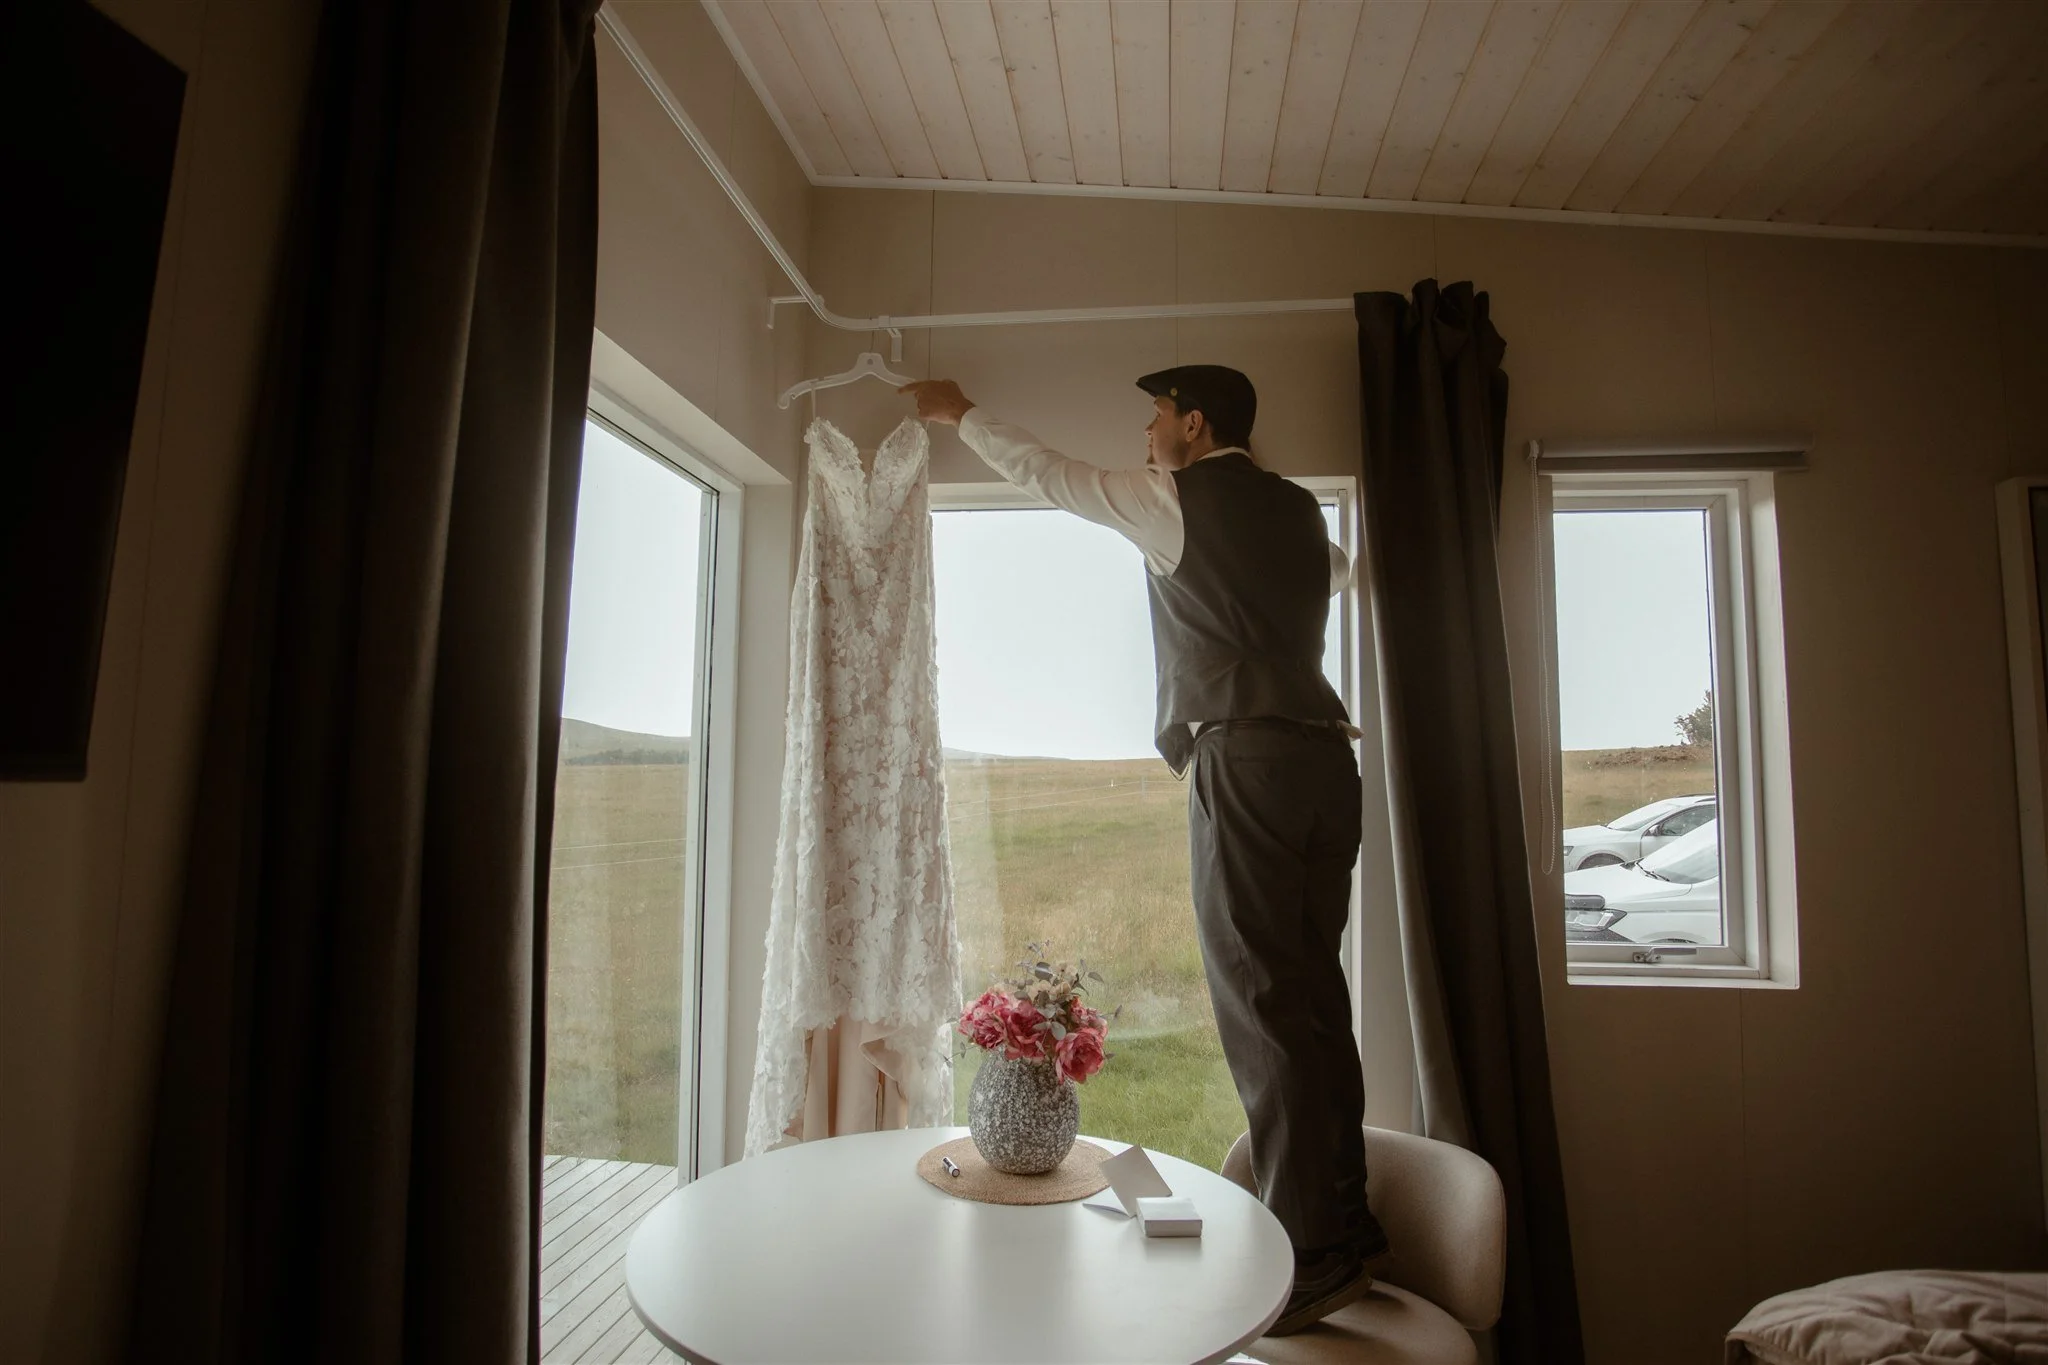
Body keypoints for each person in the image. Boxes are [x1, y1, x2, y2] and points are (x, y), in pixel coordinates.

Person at [902, 368, 1390, 1335]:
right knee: (1312, 997)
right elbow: (1333, 570)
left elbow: (1049, 475)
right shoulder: (1296, 515)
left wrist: (961, 414)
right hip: (1326, 766)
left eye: (1158, 415)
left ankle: (1312, 1255)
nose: (1147, 429)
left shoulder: (1174, 498)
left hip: (1244, 757)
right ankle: (1345, 1225)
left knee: (1261, 1001)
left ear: (1195, 424)